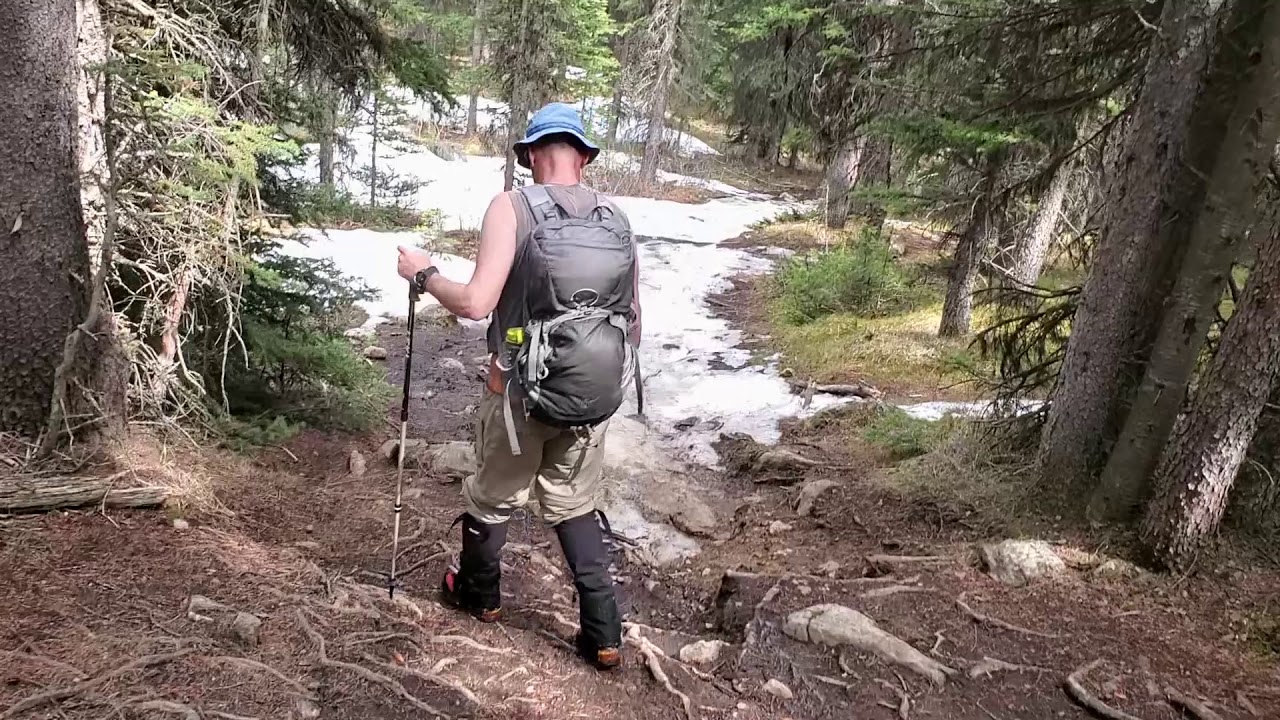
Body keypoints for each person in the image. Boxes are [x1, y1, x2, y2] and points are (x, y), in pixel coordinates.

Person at [395, 102, 641, 671]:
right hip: (593, 395)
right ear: (583, 156)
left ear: (531, 154)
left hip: (517, 393)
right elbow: (632, 319)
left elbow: (477, 304)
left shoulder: (512, 207)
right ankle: (603, 634)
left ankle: (479, 597)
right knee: (575, 503)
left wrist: (424, 274)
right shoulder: (617, 219)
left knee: (492, 495)